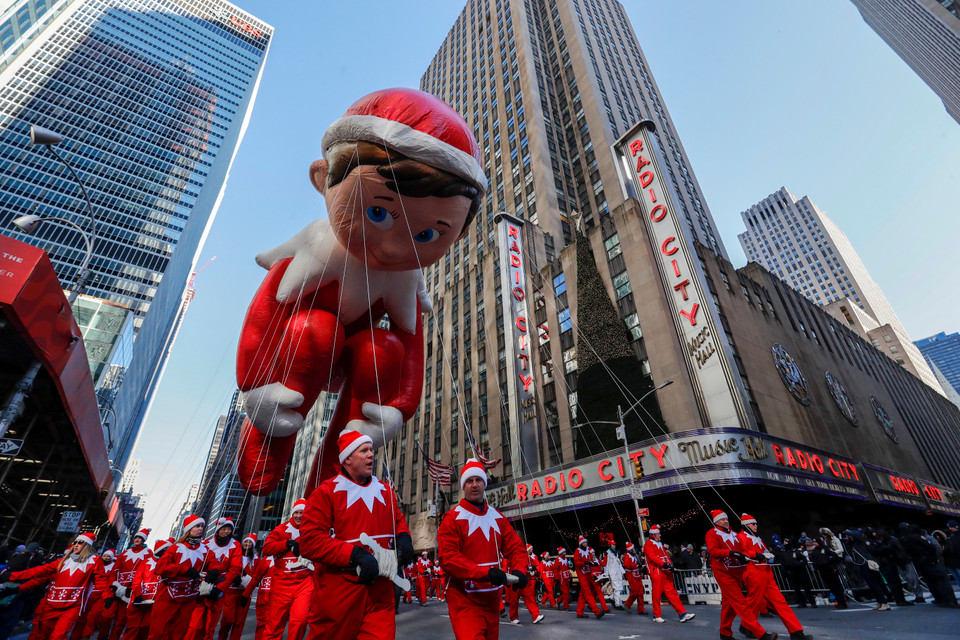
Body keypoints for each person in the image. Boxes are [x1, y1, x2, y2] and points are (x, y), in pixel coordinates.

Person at [235, 87, 486, 498]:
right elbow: (265, 315)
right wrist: (254, 383)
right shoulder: (316, 249)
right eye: (377, 212)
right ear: (323, 179)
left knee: (384, 348)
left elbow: (411, 350)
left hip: (356, 361)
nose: (394, 249)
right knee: (315, 328)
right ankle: (271, 432)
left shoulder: (404, 280)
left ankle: (338, 467)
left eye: (426, 235)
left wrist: (397, 407)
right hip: (299, 352)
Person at [298, 429, 415, 639]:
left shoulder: (385, 490)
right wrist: (354, 554)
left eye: (371, 450)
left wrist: (404, 538)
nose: (371, 454)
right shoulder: (326, 492)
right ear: (347, 459)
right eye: (363, 451)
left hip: (380, 591)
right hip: (339, 593)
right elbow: (309, 540)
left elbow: (398, 521)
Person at [437, 459, 531, 639]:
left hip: (492, 601)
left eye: (478, 480)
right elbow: (448, 557)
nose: (474, 485)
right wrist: (485, 573)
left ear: (484, 483)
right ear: (463, 486)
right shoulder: (452, 518)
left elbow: (516, 548)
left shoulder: (498, 517)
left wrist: (519, 570)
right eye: (469, 481)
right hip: (464, 602)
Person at [6, 532, 109, 640]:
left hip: (72, 605)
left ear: (87, 545)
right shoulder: (61, 562)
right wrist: (15, 582)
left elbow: (101, 581)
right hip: (50, 604)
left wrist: (107, 596)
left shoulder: (94, 561)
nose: (76, 545)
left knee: (58, 636)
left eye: (80, 542)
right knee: (39, 634)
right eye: (75, 542)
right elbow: (39, 575)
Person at [738, 514, 811, 640]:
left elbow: (764, 551)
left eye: (756, 523)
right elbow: (741, 552)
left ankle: (796, 631)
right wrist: (758, 555)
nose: (756, 526)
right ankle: (746, 625)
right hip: (754, 572)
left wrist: (768, 555)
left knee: (780, 602)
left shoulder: (757, 537)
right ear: (745, 525)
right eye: (753, 524)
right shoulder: (740, 537)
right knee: (753, 603)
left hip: (766, 573)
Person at [705, 510, 776, 640]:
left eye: (726, 519)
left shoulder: (734, 534)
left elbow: (744, 551)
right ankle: (761, 634)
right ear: (716, 522)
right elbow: (713, 551)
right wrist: (731, 553)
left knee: (729, 604)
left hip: (737, 571)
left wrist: (757, 556)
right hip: (723, 572)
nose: (726, 521)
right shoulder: (712, 533)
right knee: (740, 603)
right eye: (722, 519)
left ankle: (725, 633)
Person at [150, 515, 212, 640]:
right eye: (197, 526)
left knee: (179, 633)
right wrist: (185, 570)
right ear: (189, 529)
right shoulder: (176, 547)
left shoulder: (205, 550)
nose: (200, 528)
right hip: (168, 597)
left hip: (188, 599)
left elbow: (215, 563)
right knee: (158, 632)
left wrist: (215, 571)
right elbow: (160, 567)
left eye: (202, 526)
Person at [260, 499, 312, 640]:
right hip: (282, 584)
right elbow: (266, 549)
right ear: (292, 513)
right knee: (274, 625)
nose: (299, 516)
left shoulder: (312, 529)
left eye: (302, 513)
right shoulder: (281, 529)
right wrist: (286, 544)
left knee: (300, 621)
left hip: (304, 583)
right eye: (296, 513)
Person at [187, 518, 240, 640]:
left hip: (219, 587)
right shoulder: (207, 543)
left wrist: (220, 588)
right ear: (218, 529)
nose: (226, 531)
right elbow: (199, 563)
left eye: (229, 529)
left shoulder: (235, 545)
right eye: (223, 529)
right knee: (194, 625)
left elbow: (235, 568)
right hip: (202, 586)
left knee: (209, 627)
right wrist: (201, 584)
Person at [643, 524, 694, 624]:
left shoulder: (659, 543)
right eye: (658, 534)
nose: (660, 535)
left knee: (672, 593)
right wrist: (665, 565)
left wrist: (671, 566)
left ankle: (682, 614)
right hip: (657, 571)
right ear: (654, 535)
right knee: (657, 594)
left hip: (665, 571)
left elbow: (666, 556)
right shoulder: (648, 544)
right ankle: (657, 615)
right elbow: (653, 557)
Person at [899, 523, 958, 608]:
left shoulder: (904, 539)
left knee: (931, 582)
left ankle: (940, 599)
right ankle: (950, 600)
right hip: (930, 561)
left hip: (920, 563)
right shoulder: (919, 537)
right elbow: (932, 548)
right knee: (941, 581)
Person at [122, 538, 171, 640]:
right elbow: (137, 580)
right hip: (138, 601)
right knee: (132, 628)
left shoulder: (167, 564)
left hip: (154, 603)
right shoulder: (145, 562)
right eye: (165, 549)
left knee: (146, 628)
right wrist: (138, 594)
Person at [110, 529, 153, 640]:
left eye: (140, 538)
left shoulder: (148, 553)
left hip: (136, 592)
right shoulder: (125, 553)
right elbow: (115, 570)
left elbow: (149, 572)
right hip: (121, 591)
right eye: (136, 537)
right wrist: (115, 584)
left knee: (133, 624)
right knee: (119, 621)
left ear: (143, 541)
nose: (137, 539)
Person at [217, 533, 257, 640]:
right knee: (227, 620)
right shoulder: (235, 554)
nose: (247, 544)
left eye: (250, 542)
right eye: (246, 541)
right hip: (231, 592)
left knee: (239, 622)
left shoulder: (256, 559)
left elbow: (256, 576)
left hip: (245, 594)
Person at [841, 530, 890, 610]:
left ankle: (884, 602)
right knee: (871, 584)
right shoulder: (852, 544)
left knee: (875, 584)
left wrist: (847, 532)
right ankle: (879, 602)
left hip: (867, 564)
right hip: (862, 565)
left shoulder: (860, 541)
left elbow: (857, 535)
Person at [869, 529, 912, 607]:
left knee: (895, 582)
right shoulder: (881, 543)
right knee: (894, 583)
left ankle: (900, 599)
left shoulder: (881, 542)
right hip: (886, 563)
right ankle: (900, 600)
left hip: (888, 563)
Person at [805, 538, 846, 609]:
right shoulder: (814, 551)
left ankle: (842, 602)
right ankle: (839, 601)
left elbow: (834, 555)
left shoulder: (826, 548)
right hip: (822, 570)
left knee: (836, 586)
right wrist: (816, 565)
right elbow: (813, 560)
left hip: (830, 569)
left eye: (815, 542)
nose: (814, 544)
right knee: (831, 587)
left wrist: (828, 560)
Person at [505, 545, 542, 625]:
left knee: (529, 597)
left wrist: (534, 568)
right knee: (514, 600)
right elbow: (507, 567)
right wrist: (506, 579)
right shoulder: (512, 556)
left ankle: (536, 615)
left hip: (524, 579)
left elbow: (532, 563)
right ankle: (514, 617)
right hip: (515, 579)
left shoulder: (526, 556)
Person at [241, 554, 274, 640]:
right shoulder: (267, 559)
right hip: (264, 598)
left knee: (274, 628)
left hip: (279, 599)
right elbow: (256, 578)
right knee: (262, 626)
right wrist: (246, 594)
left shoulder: (288, 558)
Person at [572, 537, 603, 619]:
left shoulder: (588, 551)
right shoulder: (577, 551)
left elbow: (591, 560)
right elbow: (577, 563)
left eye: (586, 542)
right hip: (582, 575)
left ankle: (579, 612)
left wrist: (594, 564)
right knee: (588, 592)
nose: (585, 544)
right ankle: (596, 611)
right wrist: (585, 563)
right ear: (581, 544)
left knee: (582, 594)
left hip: (588, 574)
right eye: (584, 543)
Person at [620, 542, 647, 615]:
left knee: (640, 592)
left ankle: (641, 609)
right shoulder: (627, 556)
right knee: (635, 592)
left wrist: (639, 566)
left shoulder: (634, 555)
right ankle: (628, 604)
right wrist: (636, 565)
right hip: (631, 575)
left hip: (637, 575)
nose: (634, 549)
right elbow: (627, 565)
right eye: (632, 549)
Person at [602, 545, 625, 609]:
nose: (614, 546)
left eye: (615, 545)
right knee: (617, 588)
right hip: (612, 573)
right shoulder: (608, 553)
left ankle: (612, 598)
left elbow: (619, 564)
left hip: (618, 573)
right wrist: (606, 573)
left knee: (620, 588)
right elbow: (606, 564)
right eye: (613, 545)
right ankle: (618, 604)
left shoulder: (615, 553)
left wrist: (623, 572)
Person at [944, 520, 960, 589]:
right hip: (952, 562)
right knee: (958, 579)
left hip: (955, 561)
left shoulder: (952, 537)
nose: (950, 528)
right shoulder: (950, 536)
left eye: (951, 527)